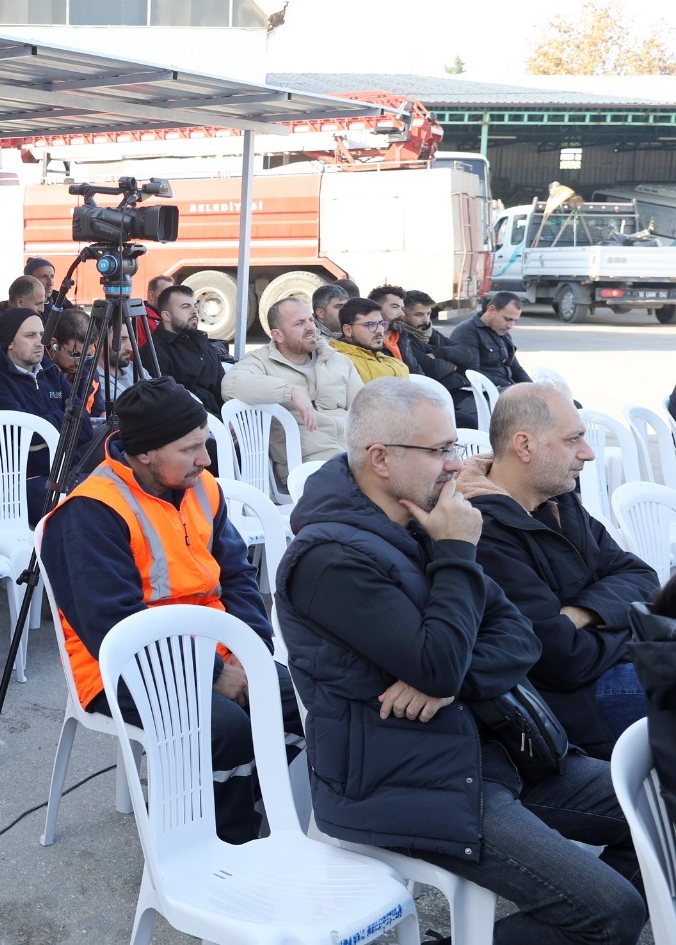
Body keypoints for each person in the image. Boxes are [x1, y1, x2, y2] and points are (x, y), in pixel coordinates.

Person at [275, 377, 645, 945]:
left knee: (663, 808)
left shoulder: (419, 518)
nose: (459, 464)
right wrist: (455, 554)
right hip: (407, 780)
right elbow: (441, 662)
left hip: (496, 751)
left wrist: (449, 678)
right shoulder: (331, 558)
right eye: (441, 450)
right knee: (610, 912)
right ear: (381, 459)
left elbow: (519, 637)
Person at [43, 378, 298, 844]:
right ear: (143, 454)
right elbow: (115, 628)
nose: (206, 460)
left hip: (217, 654)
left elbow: (237, 578)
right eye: (191, 449)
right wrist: (213, 674)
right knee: (226, 731)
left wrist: (249, 652)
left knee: (302, 703)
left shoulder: (203, 488)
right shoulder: (90, 513)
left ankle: (276, 827)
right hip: (120, 667)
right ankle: (221, 851)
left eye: (205, 444)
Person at [458, 384, 658, 756]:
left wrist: (582, 614)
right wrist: (628, 623)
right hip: (575, 709)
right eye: (573, 439)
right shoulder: (479, 528)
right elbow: (559, 657)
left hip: (612, 667)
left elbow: (641, 575)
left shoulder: (557, 498)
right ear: (525, 445)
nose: (589, 453)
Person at [223, 296, 362, 484]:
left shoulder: (338, 360)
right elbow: (231, 383)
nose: (310, 327)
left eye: (311, 320)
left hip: (356, 457)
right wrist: (290, 392)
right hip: (309, 469)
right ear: (277, 335)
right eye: (299, 323)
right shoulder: (261, 361)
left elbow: (363, 410)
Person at [0, 308, 91, 522]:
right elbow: (26, 436)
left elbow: (84, 426)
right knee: (82, 512)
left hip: (67, 473)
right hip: (23, 482)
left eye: (41, 335)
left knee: (118, 492)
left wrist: (44, 427)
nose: (40, 342)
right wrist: (62, 418)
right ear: (10, 342)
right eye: (30, 336)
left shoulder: (50, 371)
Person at [446, 292, 531, 425]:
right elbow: (473, 374)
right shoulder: (468, 331)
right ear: (491, 310)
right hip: (476, 395)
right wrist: (513, 388)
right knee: (533, 413)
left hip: (504, 390)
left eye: (514, 320)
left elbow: (516, 369)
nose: (511, 326)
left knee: (559, 403)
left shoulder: (502, 333)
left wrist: (531, 388)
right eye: (507, 319)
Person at [149, 284, 225, 416]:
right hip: (192, 426)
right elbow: (171, 403)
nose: (194, 311)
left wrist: (233, 419)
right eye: (185, 306)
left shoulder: (203, 342)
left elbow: (222, 388)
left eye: (194, 305)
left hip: (225, 419)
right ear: (166, 316)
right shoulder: (154, 352)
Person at [329, 297, 410, 384]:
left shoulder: (391, 361)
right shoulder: (340, 363)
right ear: (348, 330)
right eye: (370, 324)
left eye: (381, 324)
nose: (380, 330)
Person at [398, 289, 464, 395]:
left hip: (455, 388)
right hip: (433, 394)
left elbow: (467, 354)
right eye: (419, 315)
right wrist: (455, 364)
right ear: (403, 315)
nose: (426, 320)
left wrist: (438, 353)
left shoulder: (431, 332)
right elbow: (434, 370)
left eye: (428, 314)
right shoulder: (404, 338)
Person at [367, 284, 410, 362]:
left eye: (402, 308)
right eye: (395, 307)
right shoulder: (366, 341)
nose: (402, 313)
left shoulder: (402, 337)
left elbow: (415, 369)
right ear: (377, 308)